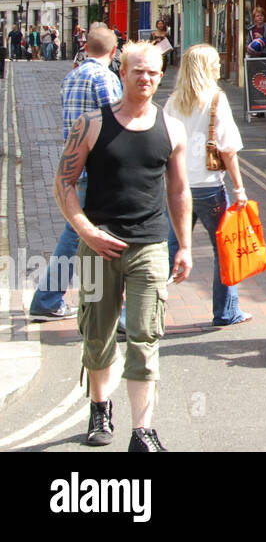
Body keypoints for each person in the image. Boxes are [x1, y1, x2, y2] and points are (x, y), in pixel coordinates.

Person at [53, 41, 192, 452]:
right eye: (137, 71)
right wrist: (86, 231)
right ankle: (100, 408)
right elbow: (64, 184)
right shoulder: (92, 125)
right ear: (122, 72)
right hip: (98, 249)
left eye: (152, 72)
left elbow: (179, 191)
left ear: (160, 75)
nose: (145, 78)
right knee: (97, 334)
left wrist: (184, 246)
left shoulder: (171, 128)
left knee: (146, 336)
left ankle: (142, 432)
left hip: (150, 247)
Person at [29, 24, 124, 321]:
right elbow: (114, 121)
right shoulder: (104, 77)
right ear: (113, 51)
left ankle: (61, 299)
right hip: (99, 168)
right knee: (84, 235)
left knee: (81, 233)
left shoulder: (71, 77)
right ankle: (50, 300)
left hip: (75, 164)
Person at [163, 44, 252, 326]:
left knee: (167, 249)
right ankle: (226, 312)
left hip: (177, 188)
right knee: (223, 250)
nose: (218, 67)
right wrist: (239, 188)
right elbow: (228, 149)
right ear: (204, 68)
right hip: (209, 188)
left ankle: (133, 313)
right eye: (214, 63)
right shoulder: (215, 99)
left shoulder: (173, 101)